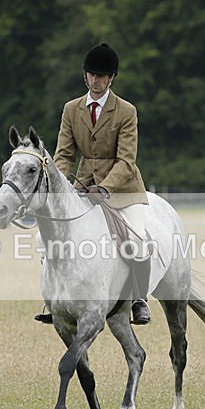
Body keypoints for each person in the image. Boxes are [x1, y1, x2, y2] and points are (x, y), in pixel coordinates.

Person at [37, 43, 151, 325]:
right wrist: (59, 187)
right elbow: (64, 155)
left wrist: (105, 187)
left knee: (138, 238)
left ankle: (139, 299)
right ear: (84, 75)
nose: (95, 80)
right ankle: (55, 299)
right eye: (91, 74)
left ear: (111, 78)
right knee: (45, 238)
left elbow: (126, 160)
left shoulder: (126, 111)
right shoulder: (71, 109)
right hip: (82, 186)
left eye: (101, 76)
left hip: (122, 189)